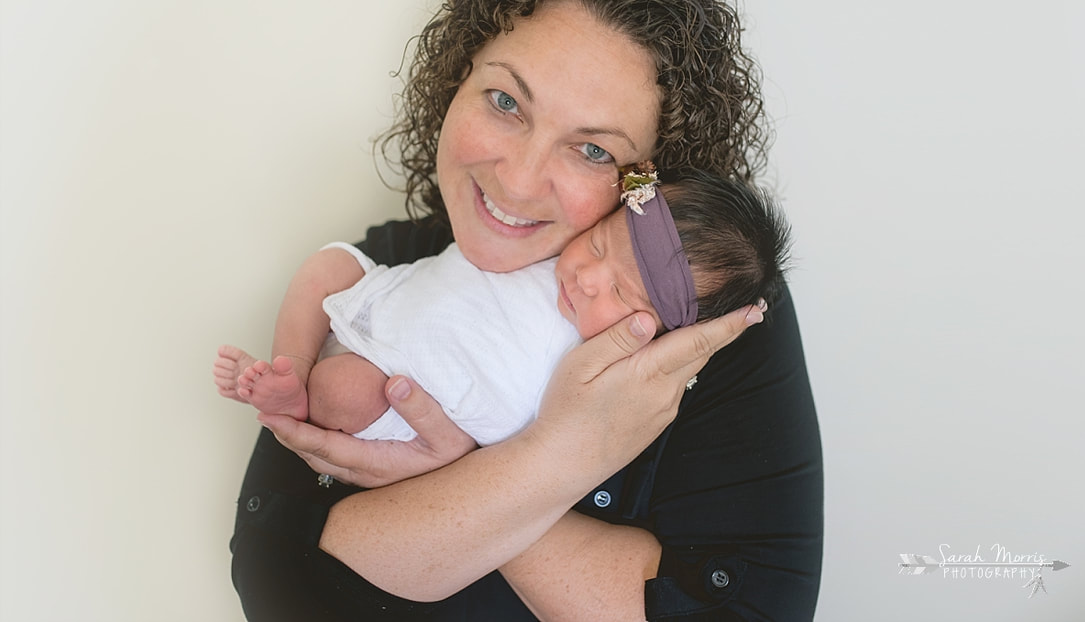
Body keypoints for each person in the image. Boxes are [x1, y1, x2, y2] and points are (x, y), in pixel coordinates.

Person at [227, 0, 823, 621]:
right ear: (457, 78)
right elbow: (278, 569)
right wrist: (547, 464)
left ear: (653, 186)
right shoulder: (387, 269)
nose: (518, 178)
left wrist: (461, 486)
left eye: (594, 149)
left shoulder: (712, 316)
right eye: (506, 101)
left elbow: (750, 611)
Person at [215, 170, 791, 446]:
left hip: (399, 394)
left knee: (342, 390)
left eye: (623, 295)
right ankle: (289, 362)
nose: (587, 279)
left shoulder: (607, 371)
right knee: (329, 265)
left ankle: (301, 394)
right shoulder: (543, 238)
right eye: (597, 244)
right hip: (384, 302)